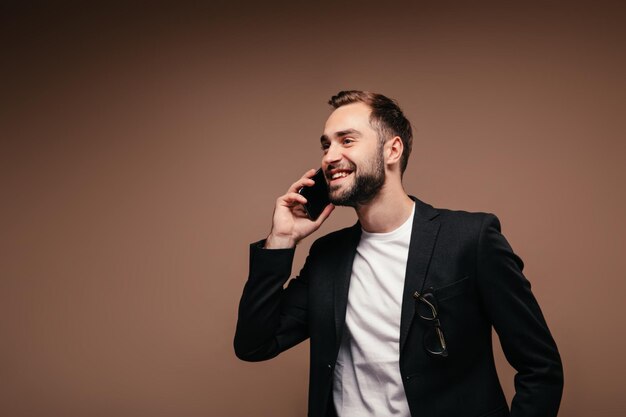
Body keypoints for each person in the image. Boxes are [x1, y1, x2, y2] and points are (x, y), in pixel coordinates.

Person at [234, 90, 563, 417]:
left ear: (392, 149)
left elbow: (540, 368)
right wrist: (281, 238)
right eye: (326, 144)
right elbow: (254, 344)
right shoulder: (327, 256)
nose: (329, 157)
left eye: (346, 141)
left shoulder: (470, 239)